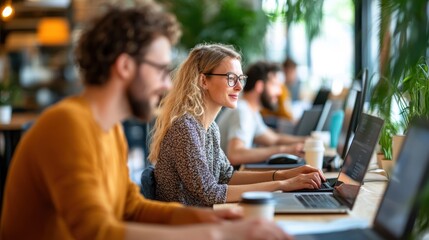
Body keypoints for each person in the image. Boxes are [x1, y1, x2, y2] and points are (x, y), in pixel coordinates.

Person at [0, 3, 291, 240]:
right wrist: (216, 233)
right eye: (161, 70)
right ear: (125, 66)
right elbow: (95, 231)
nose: (167, 85)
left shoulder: (109, 128)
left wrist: (208, 217)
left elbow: (131, 207)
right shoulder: (67, 125)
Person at [150, 43, 325, 207]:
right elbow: (210, 193)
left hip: (202, 218)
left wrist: (284, 174)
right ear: (203, 81)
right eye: (231, 78)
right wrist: (282, 184)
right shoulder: (185, 128)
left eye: (240, 78)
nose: (240, 87)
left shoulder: (209, 128)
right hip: (185, 226)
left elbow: (227, 176)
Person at [217, 61, 306, 166]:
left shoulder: (251, 111)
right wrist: (284, 150)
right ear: (260, 86)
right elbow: (235, 155)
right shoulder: (242, 111)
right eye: (275, 85)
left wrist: (309, 140)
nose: (280, 92)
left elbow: (274, 139)